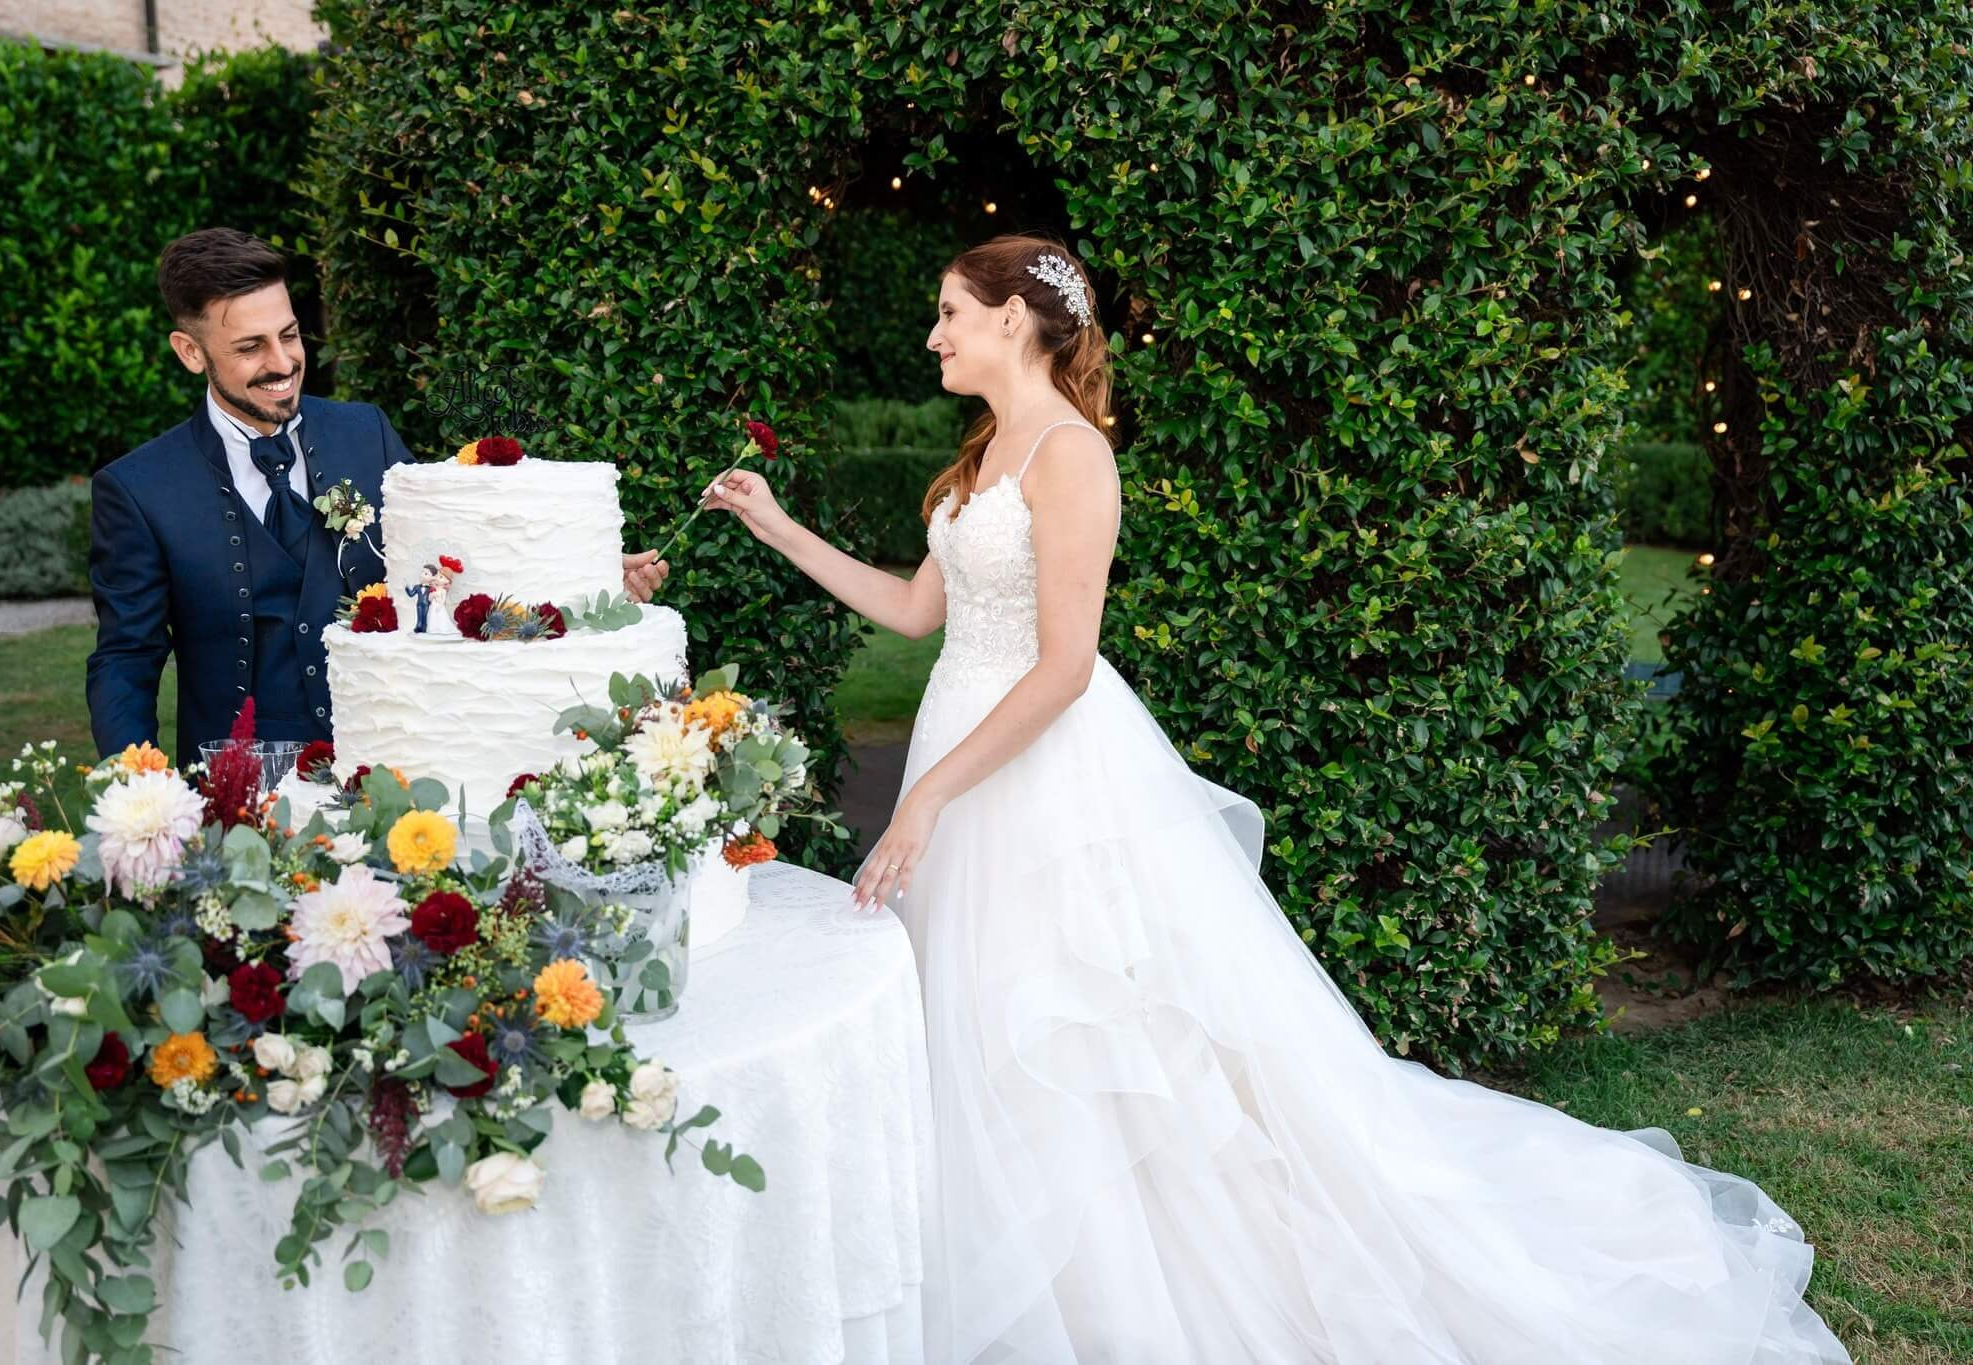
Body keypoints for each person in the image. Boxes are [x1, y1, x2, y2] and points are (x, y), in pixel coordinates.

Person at [698, 234, 1850, 1363]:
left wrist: (927, 797)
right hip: (962, 755)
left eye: (949, 310)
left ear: (1011, 320)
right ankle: (1022, 1274)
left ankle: (1125, 1292)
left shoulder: (1068, 456)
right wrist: (773, 522)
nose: (933, 333)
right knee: (980, 1025)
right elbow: (914, 615)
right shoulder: (984, 449)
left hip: (1032, 777)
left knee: (1070, 1023)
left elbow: (1062, 667)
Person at [87, 228, 669, 765]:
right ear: (191, 352)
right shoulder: (138, 490)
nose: (283, 362)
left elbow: (447, 562)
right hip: (238, 786)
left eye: (289, 335)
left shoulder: (365, 433)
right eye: (250, 348)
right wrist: (142, 788)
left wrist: (581, 575)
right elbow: (126, 659)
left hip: (394, 761)